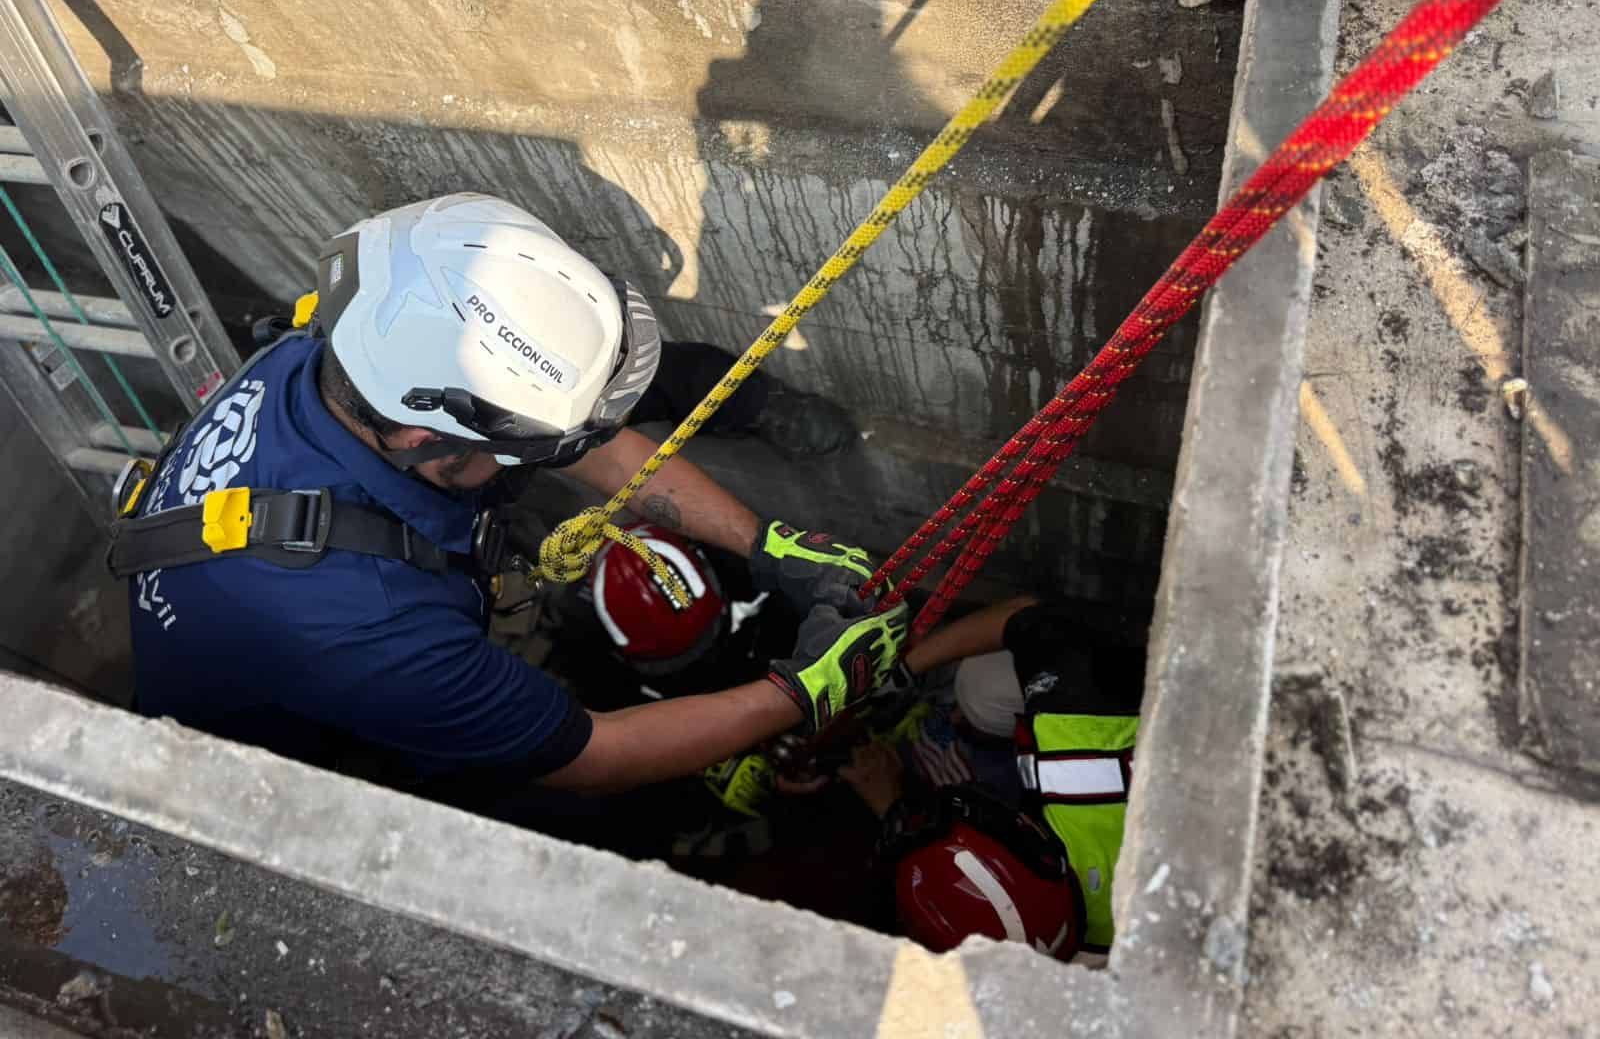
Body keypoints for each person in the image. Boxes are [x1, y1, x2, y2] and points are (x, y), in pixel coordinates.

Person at [108, 193, 905, 834]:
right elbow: (593, 752)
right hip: (282, 785)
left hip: (291, 645)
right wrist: (804, 692)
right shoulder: (361, 624)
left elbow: (575, 442)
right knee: (577, 820)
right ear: (422, 437)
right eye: (517, 450)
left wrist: (766, 545)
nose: (535, 464)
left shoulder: (344, 357)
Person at [837, 597, 1145, 964]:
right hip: (1138, 728)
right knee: (983, 685)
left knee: (980, 693)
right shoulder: (1073, 763)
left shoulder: (1088, 954)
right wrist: (901, 670)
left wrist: (890, 806)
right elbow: (1026, 614)